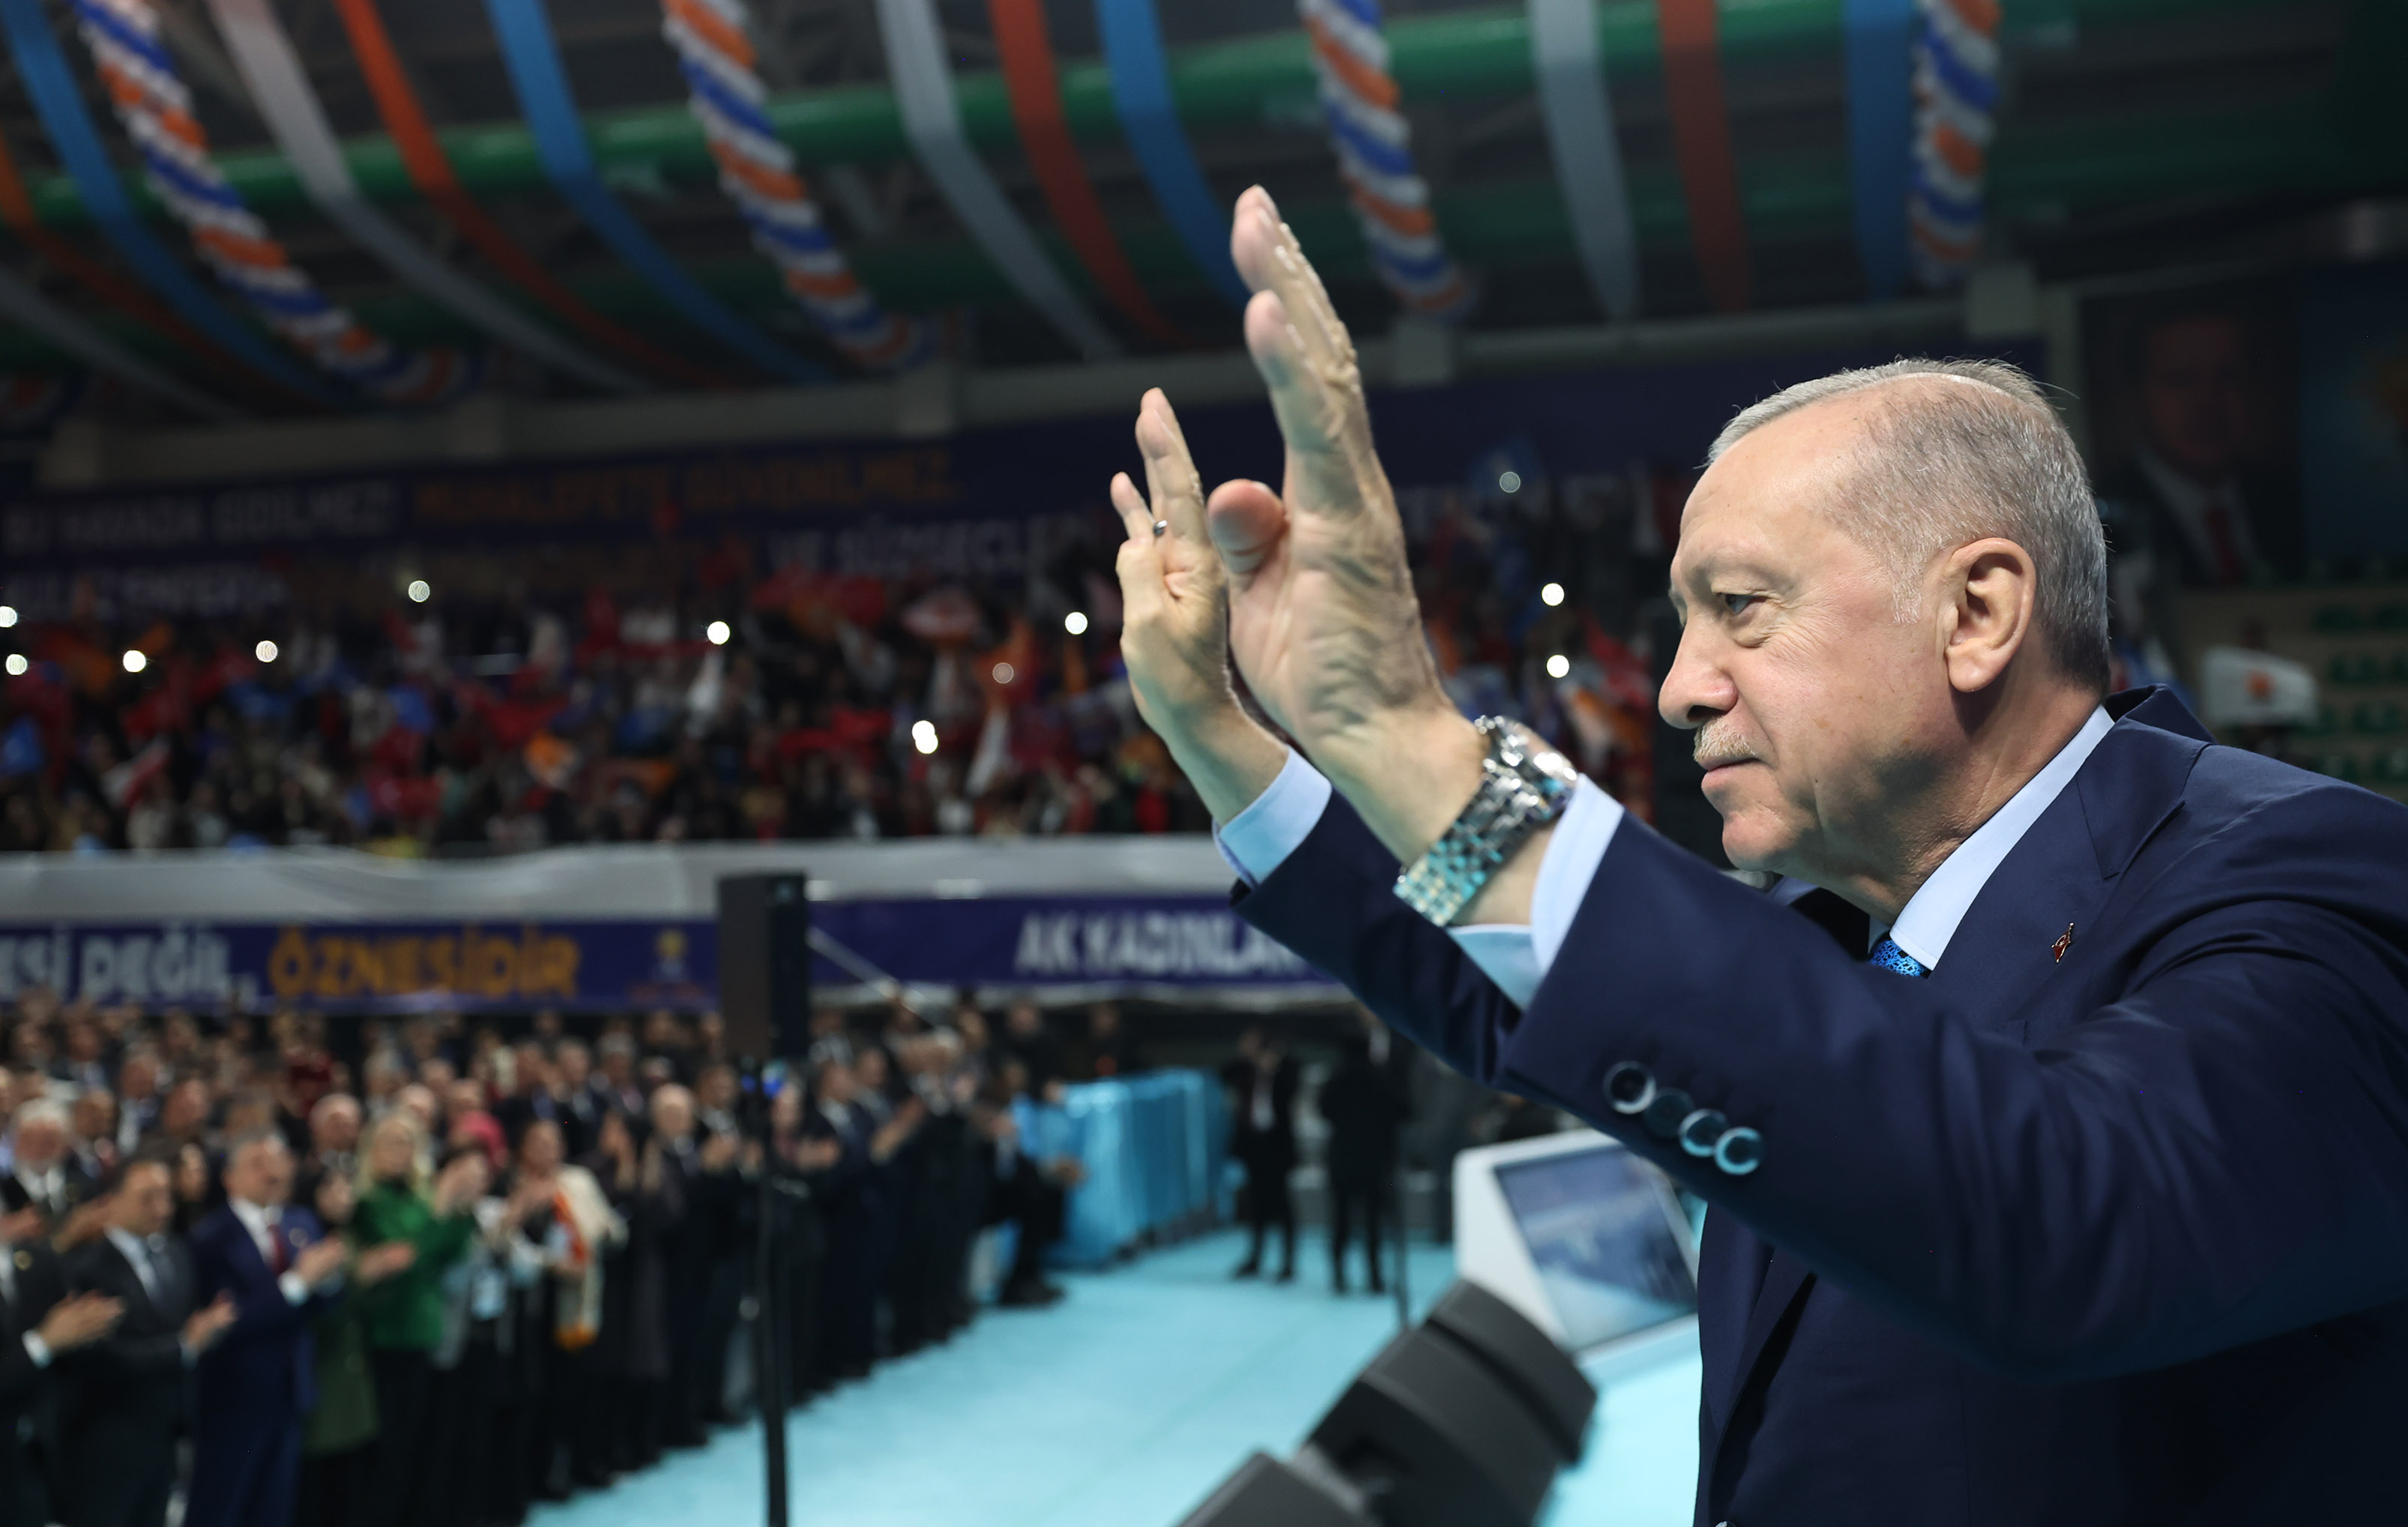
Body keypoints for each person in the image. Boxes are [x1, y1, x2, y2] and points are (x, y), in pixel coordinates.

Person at [1107, 186, 2408, 1522]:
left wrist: (1417, 746)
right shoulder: (1841, 925)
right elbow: (1500, 982)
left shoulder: (2312, 883)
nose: (1680, 687)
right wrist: (1219, 736)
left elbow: (2068, 1218)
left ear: (1975, 612)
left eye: (1739, 606)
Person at [55, 1156, 237, 1527]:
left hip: (166, 1439)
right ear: (112, 1201)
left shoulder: (176, 1252)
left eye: (166, 1196)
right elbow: (98, 1361)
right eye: (147, 1197)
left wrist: (206, 1329)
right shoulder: (83, 1267)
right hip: (105, 1447)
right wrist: (184, 1346)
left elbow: (186, 1324)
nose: (162, 1208)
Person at [185, 1131, 350, 1527]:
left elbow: (322, 1307)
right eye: (258, 1164)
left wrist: (329, 1279)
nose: (272, 1173)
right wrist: (297, 1285)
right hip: (233, 1398)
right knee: (222, 1505)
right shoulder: (210, 1238)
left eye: (278, 1163)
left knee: (274, 1506)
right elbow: (226, 1323)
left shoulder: (300, 1221)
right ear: (230, 1177)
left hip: (290, 1390)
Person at [350, 1115, 485, 1527]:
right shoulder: (369, 1202)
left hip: (423, 1331)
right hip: (385, 1333)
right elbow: (406, 1256)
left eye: (408, 1143)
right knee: (385, 1449)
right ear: (371, 1149)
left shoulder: (418, 1197)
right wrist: (440, 1211)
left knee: (415, 1445)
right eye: (392, 1142)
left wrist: (460, 1212)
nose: (401, 1151)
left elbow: (449, 1251)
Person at [293, 1172, 412, 1527]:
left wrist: (378, 1275)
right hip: (322, 1380)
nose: (343, 1196)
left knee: (349, 1485)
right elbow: (316, 1315)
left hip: (353, 1380)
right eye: (332, 1188)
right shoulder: (304, 1239)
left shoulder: (353, 1237)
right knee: (317, 1490)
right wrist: (359, 1278)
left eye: (347, 1187)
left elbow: (368, 1307)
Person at [0, 1204, 121, 1527]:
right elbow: (48, 1341)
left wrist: (87, 1323)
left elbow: (70, 1349)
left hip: (47, 1455)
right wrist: (42, 1342)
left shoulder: (38, 1262)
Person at [1317, 1019, 1409, 1295]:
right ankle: (1375, 1277)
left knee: (1340, 1218)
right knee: (1372, 1221)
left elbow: (1323, 1110)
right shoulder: (1380, 1078)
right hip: (1373, 1159)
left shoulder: (1336, 1079)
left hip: (1342, 1157)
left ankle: (1338, 1275)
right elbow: (1403, 1111)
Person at [1220, 1029, 1297, 1282]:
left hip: (1278, 1147)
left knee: (1282, 1205)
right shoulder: (1245, 1070)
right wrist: (1244, 1054)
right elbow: (1223, 1074)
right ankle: (1255, 1257)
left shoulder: (1286, 1071)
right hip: (1253, 1146)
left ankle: (1288, 1262)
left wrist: (1274, 1067)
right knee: (1255, 1204)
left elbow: (1292, 1089)